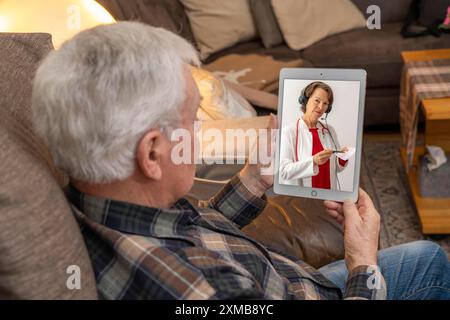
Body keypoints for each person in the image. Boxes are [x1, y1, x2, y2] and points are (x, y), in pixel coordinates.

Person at [31, 22, 450, 300]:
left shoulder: (110, 199)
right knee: (430, 261)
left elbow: (192, 230)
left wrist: (254, 178)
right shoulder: (209, 293)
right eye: (193, 119)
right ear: (153, 153)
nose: (200, 131)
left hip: (284, 280)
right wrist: (362, 262)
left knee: (426, 258)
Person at [279, 82, 349, 189]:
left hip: (329, 193)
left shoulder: (329, 130)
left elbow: (336, 168)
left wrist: (342, 158)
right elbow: (284, 171)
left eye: (325, 103)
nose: (321, 107)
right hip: (304, 198)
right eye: (317, 100)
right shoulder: (289, 131)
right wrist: (313, 161)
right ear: (305, 101)